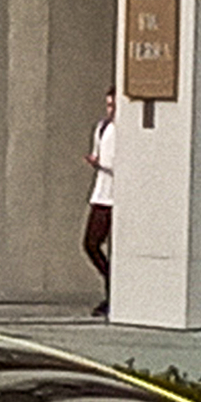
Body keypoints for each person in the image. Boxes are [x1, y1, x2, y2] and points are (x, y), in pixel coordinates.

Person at [83, 90, 116, 317]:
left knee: (106, 243)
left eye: (114, 106)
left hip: (116, 194)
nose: (110, 110)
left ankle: (113, 293)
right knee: (90, 244)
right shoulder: (102, 127)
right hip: (102, 193)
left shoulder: (122, 129)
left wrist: (102, 164)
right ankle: (112, 283)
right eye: (108, 105)